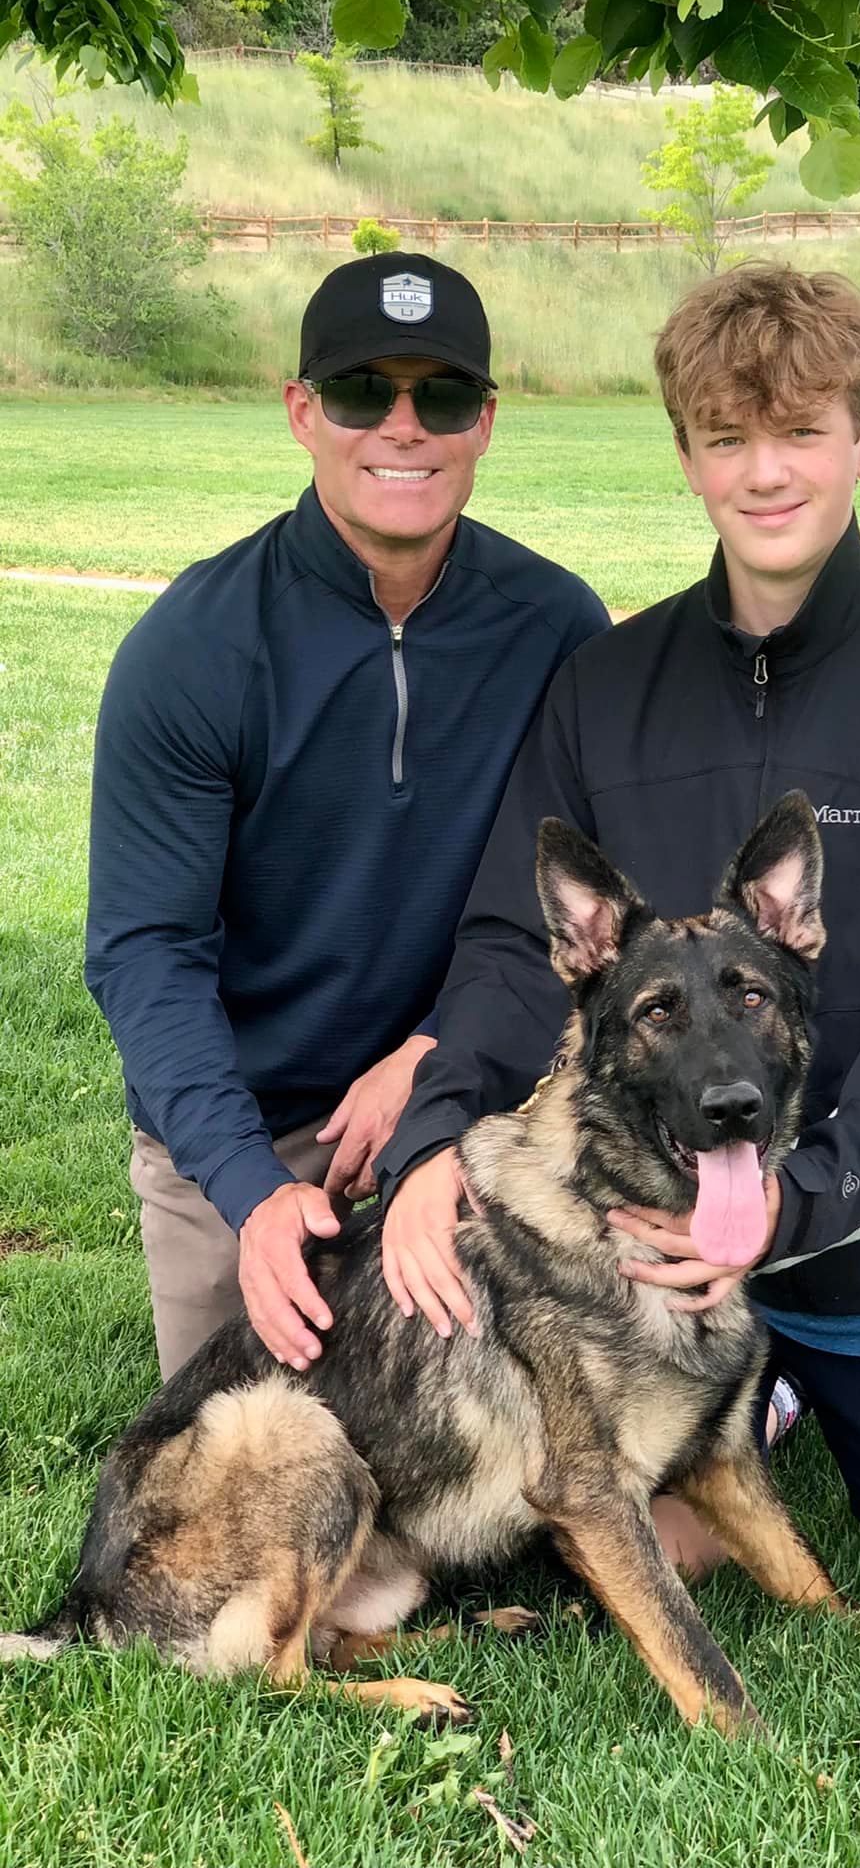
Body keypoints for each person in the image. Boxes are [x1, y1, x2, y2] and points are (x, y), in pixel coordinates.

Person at [375, 262, 860, 1613]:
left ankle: (836, 1393)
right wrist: (428, 1143)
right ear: (687, 456)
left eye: (802, 433)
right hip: (639, 1242)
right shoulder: (606, 683)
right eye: (728, 439)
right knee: (632, 1548)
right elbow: (518, 949)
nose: (766, 474)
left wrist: (800, 1206)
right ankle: (748, 1415)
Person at [86, 252, 608, 1381]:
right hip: (248, 1121)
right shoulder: (191, 649)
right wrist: (251, 1188)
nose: (404, 428)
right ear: (303, 412)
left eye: (445, 396)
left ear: (486, 423)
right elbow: (146, 953)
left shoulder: (557, 626)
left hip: (477, 1090)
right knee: (252, 1460)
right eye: (365, 391)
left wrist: (433, 1055)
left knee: (517, 1438)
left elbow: (553, 911)